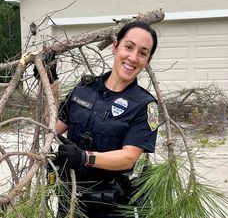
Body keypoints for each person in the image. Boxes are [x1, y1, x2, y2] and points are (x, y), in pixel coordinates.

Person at [37, 21, 159, 218]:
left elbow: (128, 157)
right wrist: (50, 81)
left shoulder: (145, 105)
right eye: (128, 47)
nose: (133, 57)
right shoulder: (84, 89)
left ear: (147, 60)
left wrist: (84, 158)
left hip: (110, 208)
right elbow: (54, 127)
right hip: (70, 202)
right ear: (115, 46)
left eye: (143, 53)